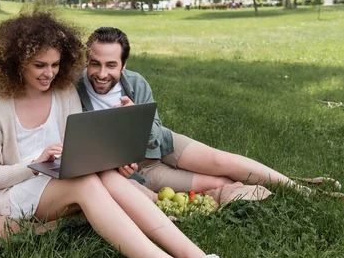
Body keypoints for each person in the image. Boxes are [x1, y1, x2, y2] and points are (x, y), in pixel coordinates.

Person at [0, 11, 262, 258]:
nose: (49, 73)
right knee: (84, 183)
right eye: (39, 65)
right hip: (12, 190)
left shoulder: (63, 91)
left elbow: (79, 147)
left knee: (105, 175)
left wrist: (110, 160)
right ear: (16, 62)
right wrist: (32, 167)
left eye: (56, 64)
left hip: (56, 177)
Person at [76, 26, 310, 197]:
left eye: (111, 65)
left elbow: (155, 136)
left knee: (221, 160)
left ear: (123, 65)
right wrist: (118, 166)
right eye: (95, 63)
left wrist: (135, 118)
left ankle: (301, 190)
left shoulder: (136, 83)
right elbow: (80, 149)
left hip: (161, 144)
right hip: (140, 168)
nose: (102, 73)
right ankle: (267, 190)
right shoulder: (73, 90)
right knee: (216, 182)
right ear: (87, 60)